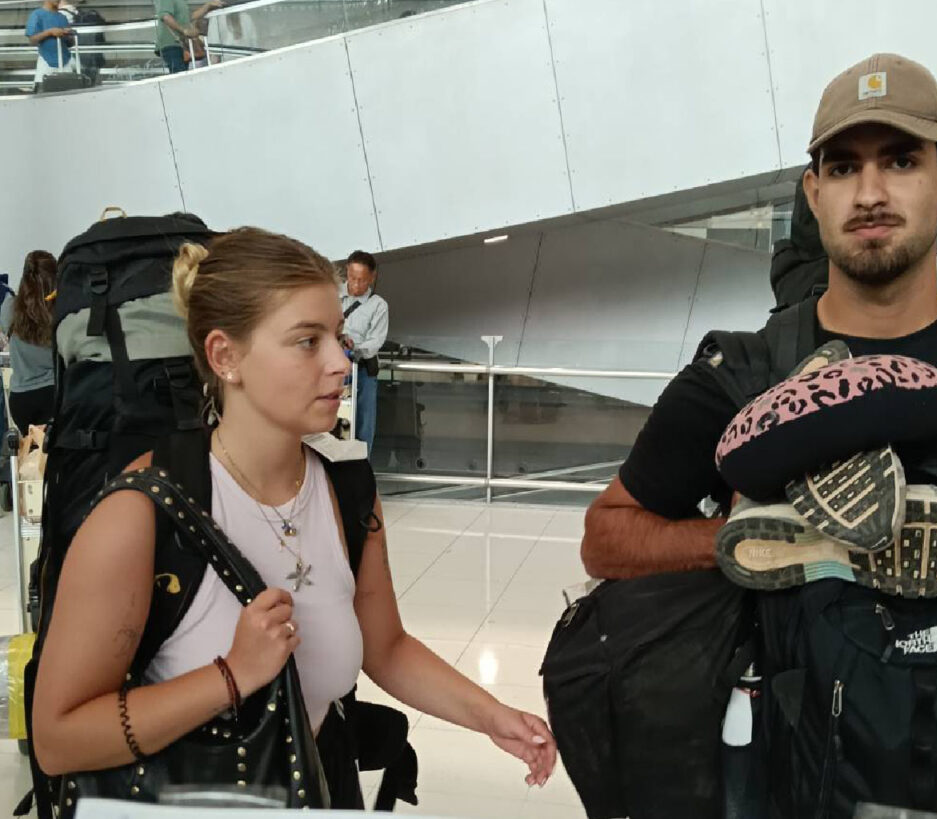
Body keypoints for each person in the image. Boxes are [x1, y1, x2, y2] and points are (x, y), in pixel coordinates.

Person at [582, 53, 937, 813]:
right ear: (815, 194)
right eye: (844, 167)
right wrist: (765, 536)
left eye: (901, 161)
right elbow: (607, 536)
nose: (870, 193)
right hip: (792, 777)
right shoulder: (741, 375)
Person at [31, 228, 555, 799]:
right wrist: (232, 675)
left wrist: (492, 716)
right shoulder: (142, 512)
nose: (340, 362)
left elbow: (387, 649)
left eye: (338, 337)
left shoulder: (347, 492)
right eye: (307, 342)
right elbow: (58, 739)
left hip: (320, 786)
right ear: (225, 356)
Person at [1, 251, 57, 434]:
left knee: (29, 449)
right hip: (54, 394)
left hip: (21, 399)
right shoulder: (60, 309)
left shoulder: (9, 308)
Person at [342, 250, 389, 457]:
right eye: (352, 278)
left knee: (363, 424)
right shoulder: (331, 296)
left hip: (361, 369)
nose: (355, 284)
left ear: (372, 277)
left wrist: (354, 348)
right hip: (333, 367)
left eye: (361, 280)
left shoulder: (378, 305)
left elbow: (375, 342)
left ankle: (361, 468)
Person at [154, 0, 222, 74]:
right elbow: (165, 17)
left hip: (181, 44)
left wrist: (207, 6)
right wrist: (184, 31)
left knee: (182, 73)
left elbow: (189, 17)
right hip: (171, 45)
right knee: (179, 75)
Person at [25, 0, 74, 90]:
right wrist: (49, 32)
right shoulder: (37, 15)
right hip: (46, 62)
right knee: (44, 93)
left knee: (68, 93)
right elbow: (32, 40)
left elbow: (70, 44)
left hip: (65, 62)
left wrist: (69, 35)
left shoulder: (62, 17)